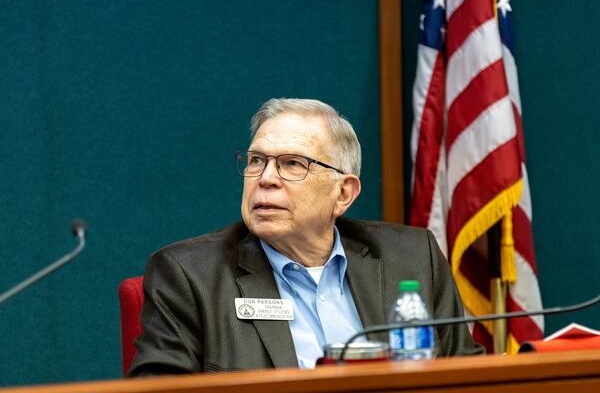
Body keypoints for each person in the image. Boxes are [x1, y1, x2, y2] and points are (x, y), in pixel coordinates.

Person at [128, 98, 482, 376]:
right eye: (256, 161)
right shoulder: (190, 275)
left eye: (293, 164)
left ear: (343, 193)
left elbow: (469, 376)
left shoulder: (412, 258)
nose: (265, 178)